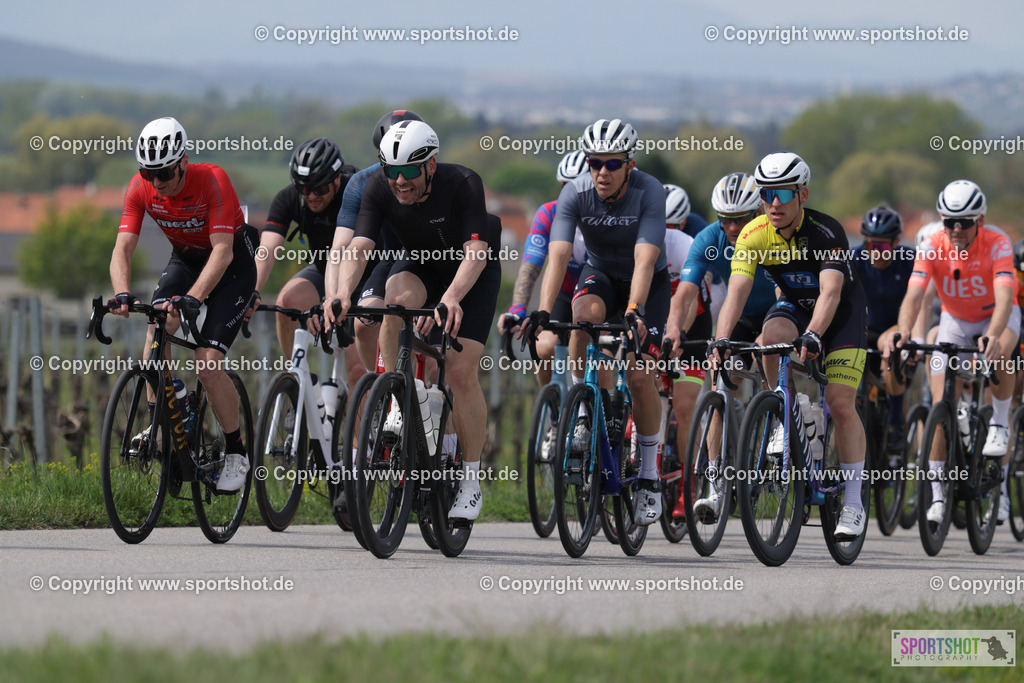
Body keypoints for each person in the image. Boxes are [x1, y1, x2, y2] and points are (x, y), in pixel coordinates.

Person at [327, 120, 501, 522]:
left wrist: (451, 298)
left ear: (431, 166)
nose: (400, 181)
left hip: (470, 271)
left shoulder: (463, 183)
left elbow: (475, 251)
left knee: (459, 371)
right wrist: (340, 293)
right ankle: (399, 396)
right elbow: (361, 246)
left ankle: (471, 482)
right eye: (392, 171)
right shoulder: (378, 187)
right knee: (395, 300)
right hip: (422, 263)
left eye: (409, 171)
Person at [709, 152, 869, 540]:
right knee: (771, 339)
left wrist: (814, 334)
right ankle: (787, 410)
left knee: (841, 404)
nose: (774, 203)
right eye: (767, 194)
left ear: (803, 194)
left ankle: (853, 501)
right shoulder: (753, 234)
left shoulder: (825, 231)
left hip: (841, 313)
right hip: (796, 306)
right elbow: (737, 291)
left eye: (783, 193)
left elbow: (831, 293)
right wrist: (721, 338)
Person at [524, 118, 670, 526]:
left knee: (640, 378)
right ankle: (583, 406)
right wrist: (541, 308)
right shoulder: (575, 192)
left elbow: (645, 258)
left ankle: (648, 476)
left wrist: (635, 309)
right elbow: (557, 254)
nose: (602, 172)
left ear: (630, 165)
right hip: (602, 273)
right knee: (581, 315)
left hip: (646, 285)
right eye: (594, 163)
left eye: (612, 163)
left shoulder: (649, 191)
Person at [110, 116, 256, 492]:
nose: (157, 183)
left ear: (183, 162)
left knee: (207, 364)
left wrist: (194, 298)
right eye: (149, 173)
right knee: (155, 332)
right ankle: (165, 415)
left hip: (231, 268)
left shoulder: (211, 179)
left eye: (165, 174)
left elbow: (223, 252)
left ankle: (237, 451)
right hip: (187, 260)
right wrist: (123, 292)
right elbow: (122, 248)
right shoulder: (140, 187)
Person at [888, 180, 1018, 525]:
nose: (957, 229)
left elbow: (1006, 297)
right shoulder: (932, 245)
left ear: (981, 219)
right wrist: (903, 331)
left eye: (965, 222)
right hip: (956, 320)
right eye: (950, 222)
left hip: (996, 315)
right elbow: (915, 296)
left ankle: (1001, 421)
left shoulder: (998, 243)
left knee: (1000, 348)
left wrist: (992, 336)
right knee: (939, 406)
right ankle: (938, 496)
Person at [667, 171, 772, 521]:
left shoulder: (773, 235)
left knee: (772, 361)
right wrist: (674, 331)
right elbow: (685, 292)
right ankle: (715, 486)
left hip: (780, 310)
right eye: (725, 218)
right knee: (719, 386)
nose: (731, 227)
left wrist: (767, 336)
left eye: (740, 219)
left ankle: (780, 426)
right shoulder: (708, 238)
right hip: (740, 314)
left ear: (758, 212)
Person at [253, 138, 363, 383]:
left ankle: (360, 420)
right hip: (325, 270)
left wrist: (330, 300)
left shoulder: (356, 191)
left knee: (356, 370)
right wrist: (252, 290)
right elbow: (267, 249)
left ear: (337, 179)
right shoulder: (289, 198)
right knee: (286, 303)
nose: (311, 196)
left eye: (320, 189)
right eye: (304, 189)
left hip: (362, 278)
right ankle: (300, 383)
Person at [324, 110, 424, 376]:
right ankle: (383, 390)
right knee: (364, 324)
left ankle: (425, 399)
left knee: (435, 359)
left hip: (434, 261)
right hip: (393, 260)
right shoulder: (362, 182)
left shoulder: (431, 178)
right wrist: (336, 296)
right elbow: (342, 248)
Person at [497, 150, 589, 386]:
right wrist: (517, 308)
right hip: (564, 293)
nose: (573, 195)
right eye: (566, 187)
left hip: (598, 296)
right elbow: (530, 266)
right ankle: (552, 414)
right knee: (544, 347)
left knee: (600, 360)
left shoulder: (604, 217)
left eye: (579, 188)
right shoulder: (548, 213)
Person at [852, 206, 916, 453]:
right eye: (870, 245)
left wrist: (905, 330)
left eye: (882, 246)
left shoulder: (909, 261)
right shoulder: (854, 259)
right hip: (863, 330)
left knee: (890, 350)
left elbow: (918, 303)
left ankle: (897, 422)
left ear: (897, 242)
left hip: (895, 330)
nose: (875, 252)